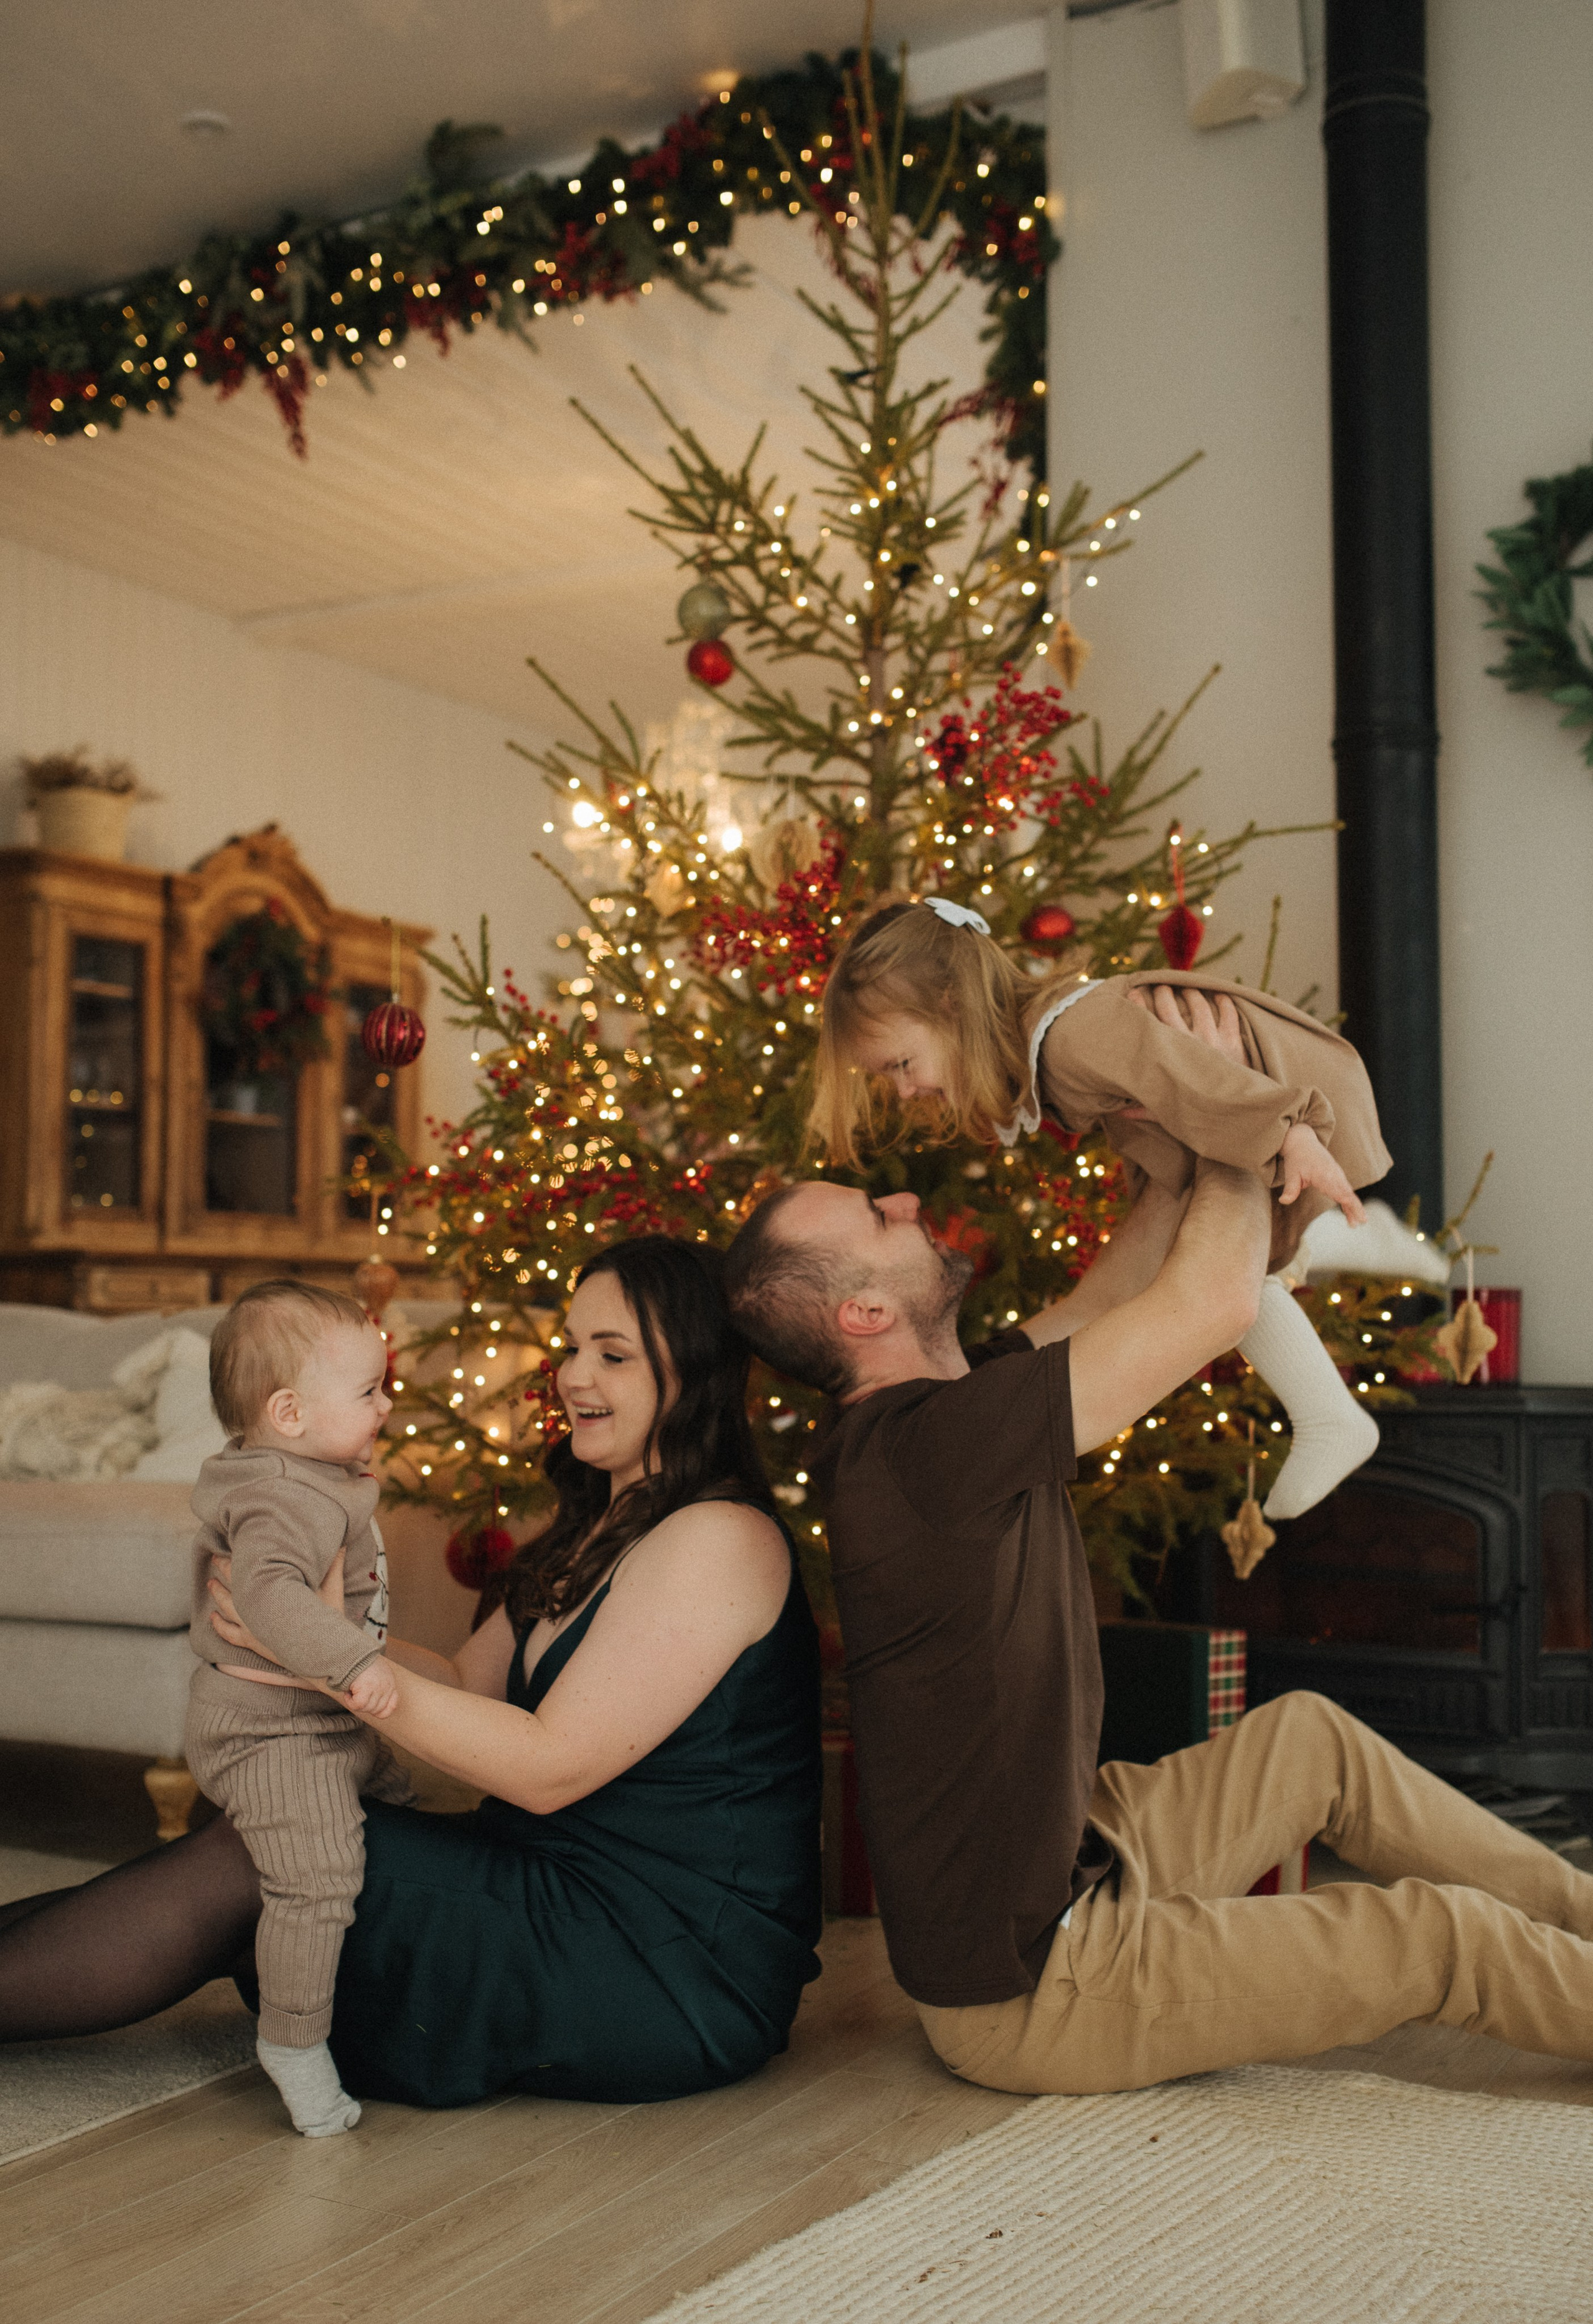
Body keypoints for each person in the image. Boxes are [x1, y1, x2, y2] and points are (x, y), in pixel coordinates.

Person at [721, 1053, 1593, 2097]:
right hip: (1038, 1985)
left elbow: (1116, 1289)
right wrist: (1245, 1117)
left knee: (1310, 1740)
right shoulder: (930, 1448)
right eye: (878, 1216)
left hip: (1078, 1858)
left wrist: (1170, 1110)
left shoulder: (942, 1407)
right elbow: (1212, 1302)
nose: (906, 1199)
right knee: (1437, 1937)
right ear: (864, 1312)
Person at [0, 1239, 822, 2111]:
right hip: (555, 1878)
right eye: (573, 1345)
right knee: (277, 1826)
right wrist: (318, 1627)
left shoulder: (718, 1537)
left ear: (694, 1371)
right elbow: (467, 1683)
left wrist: (328, 1662)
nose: (573, 1375)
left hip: (667, 1956)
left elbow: (548, 1767)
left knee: (264, 1855)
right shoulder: (601, 1521)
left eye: (612, 1355)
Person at [808, 894, 1393, 1518]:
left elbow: (1185, 1070)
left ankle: (1329, 1404)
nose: (905, 1090)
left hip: (1270, 1093)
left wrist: (1287, 1132)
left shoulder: (1070, 1037)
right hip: (1247, 1103)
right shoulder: (1052, 1047)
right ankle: (1354, 1272)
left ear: (952, 1005)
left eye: (903, 1063)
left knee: (1230, 1266)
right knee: (1212, 1252)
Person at [185, 1280, 416, 2137]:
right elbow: (271, 1597)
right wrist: (354, 1662)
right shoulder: (281, 1495)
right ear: (288, 1412)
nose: (386, 1405)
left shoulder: (312, 1471)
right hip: (272, 1733)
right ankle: (292, 2039)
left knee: (400, 1804)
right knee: (317, 1879)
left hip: (321, 1716)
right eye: (369, 1390)